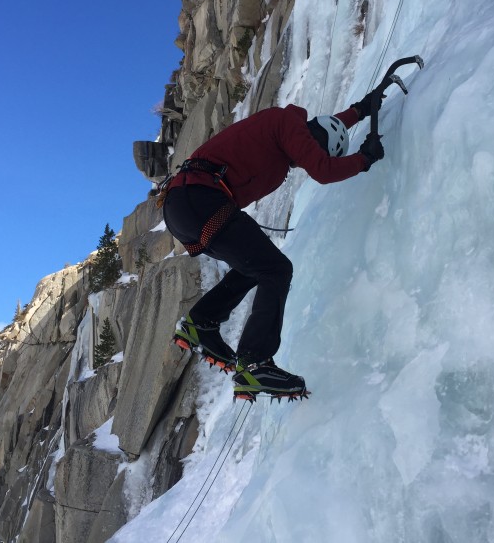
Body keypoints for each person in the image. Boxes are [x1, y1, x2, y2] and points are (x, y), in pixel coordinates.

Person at [162, 89, 385, 402]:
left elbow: (326, 128)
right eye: (315, 149)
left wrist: (359, 111)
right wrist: (364, 160)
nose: (307, 158)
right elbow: (323, 168)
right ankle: (254, 362)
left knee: (254, 267)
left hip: (185, 207)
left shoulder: (286, 138)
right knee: (276, 269)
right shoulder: (287, 121)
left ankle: (201, 324)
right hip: (200, 198)